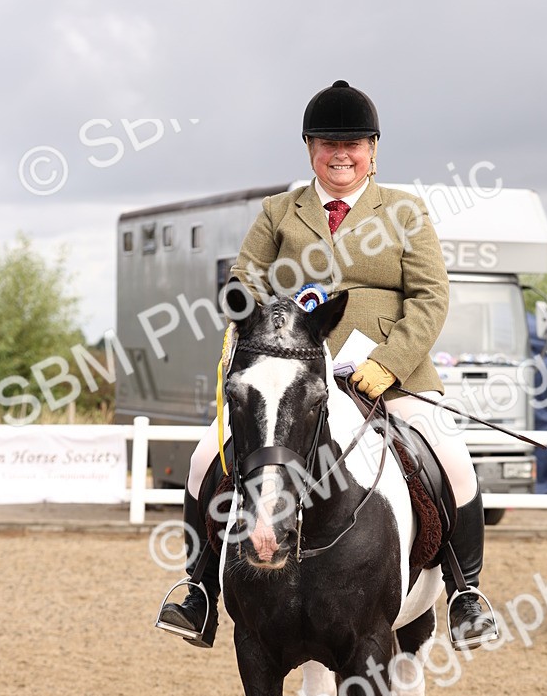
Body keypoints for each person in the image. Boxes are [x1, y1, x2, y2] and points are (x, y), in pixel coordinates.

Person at [160, 79, 497, 652]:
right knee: (200, 460)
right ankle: (198, 591)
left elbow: (432, 296)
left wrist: (390, 362)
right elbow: (244, 277)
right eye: (327, 144)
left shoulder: (405, 212)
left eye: (354, 144)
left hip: (387, 375)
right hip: (294, 372)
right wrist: (254, 310)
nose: (341, 155)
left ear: (373, 149)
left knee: (453, 458)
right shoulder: (278, 213)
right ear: (310, 148)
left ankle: (467, 594)